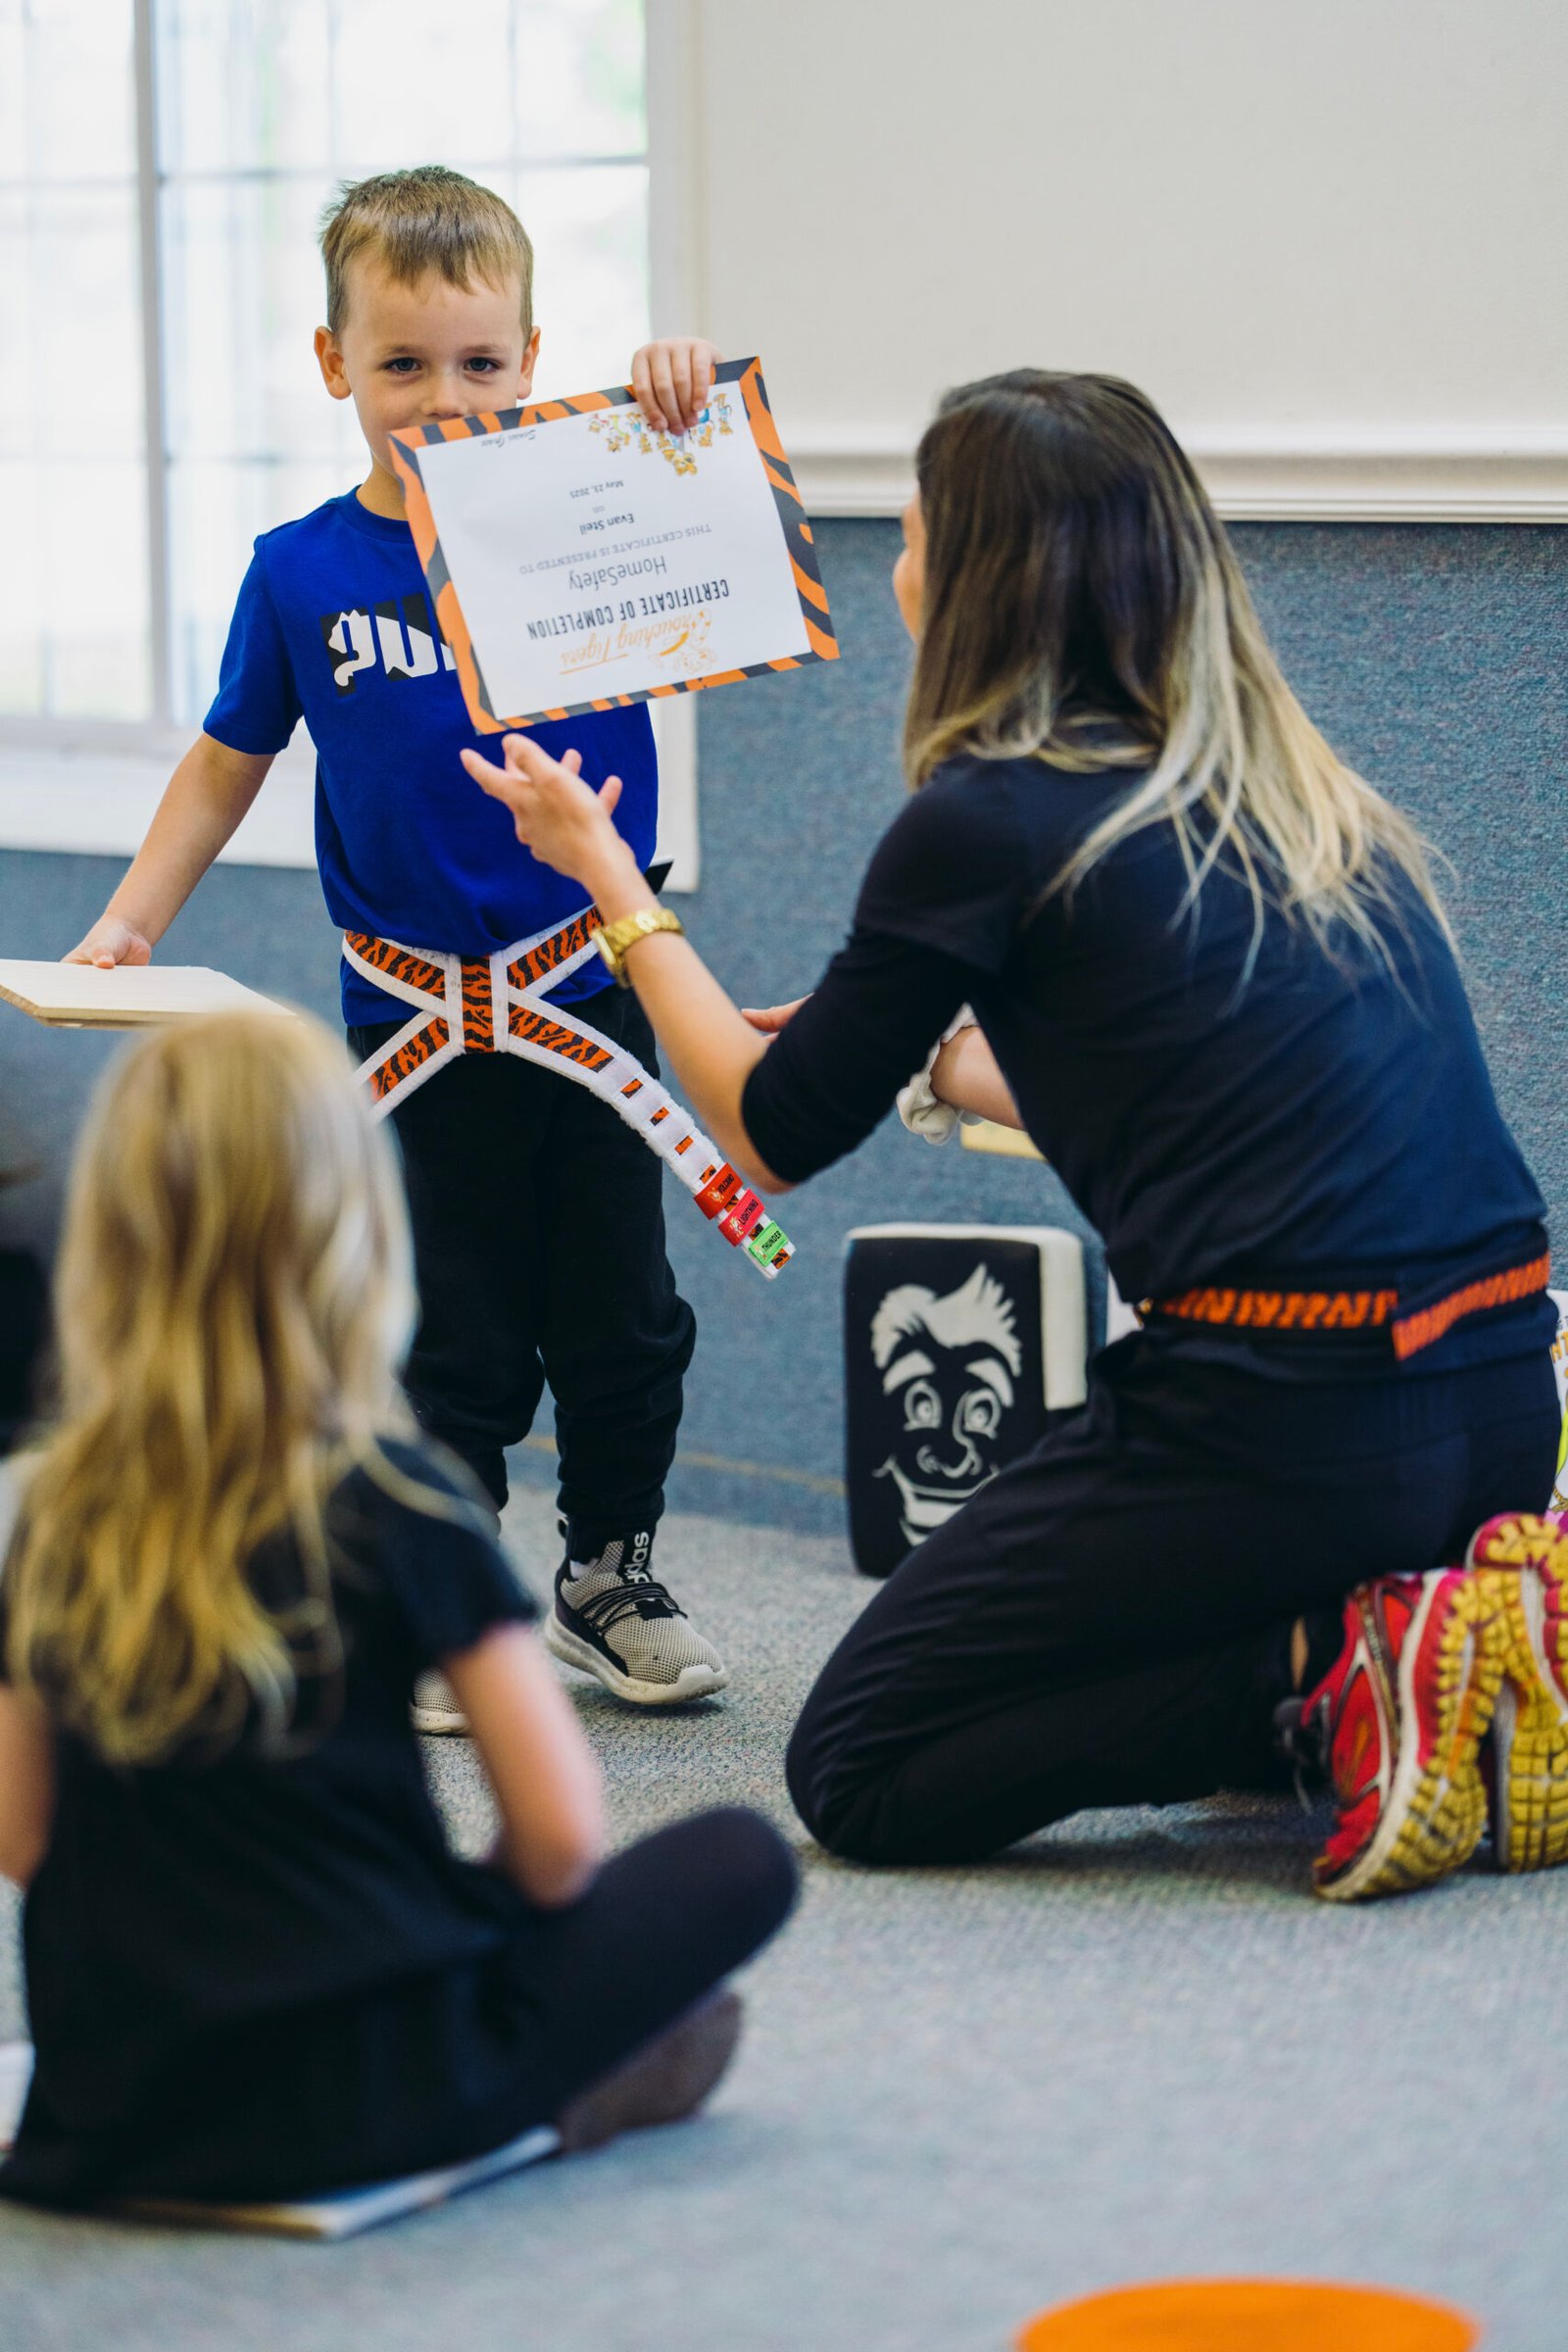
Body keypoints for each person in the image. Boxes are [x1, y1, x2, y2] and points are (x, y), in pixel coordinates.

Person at [460, 367, 1568, 1903]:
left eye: (910, 533)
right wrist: (941, 1067)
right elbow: (1211, 1108)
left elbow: (765, 1136)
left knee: (859, 1763)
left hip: (1283, 1418)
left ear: (972, 579)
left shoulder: (985, 818)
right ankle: (1451, 1652)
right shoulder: (1305, 798)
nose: (897, 566)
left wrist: (608, 881)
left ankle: (1330, 1671)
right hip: (1505, 1404)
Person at [65, 165, 728, 1727]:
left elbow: (716, 535)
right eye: (402, 365)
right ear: (333, 364)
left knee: (623, 1317)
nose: (442, 399)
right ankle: (453, 1595)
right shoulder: (300, 571)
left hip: (588, 1003)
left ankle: (609, 1573)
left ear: (533, 359)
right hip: (410, 1026)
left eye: (484, 364)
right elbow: (227, 759)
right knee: (446, 1328)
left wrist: (672, 417)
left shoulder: (594, 515)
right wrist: (133, 917)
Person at [0, 1012, 795, 2210]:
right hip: (381, 2087)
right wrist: (452, 1926)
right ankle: (537, 2096)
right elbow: (560, 1839)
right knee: (739, 1860)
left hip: (118, 2111)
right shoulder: (397, 1495)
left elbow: (21, 1836)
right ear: (357, 1229)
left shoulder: (50, 1513)